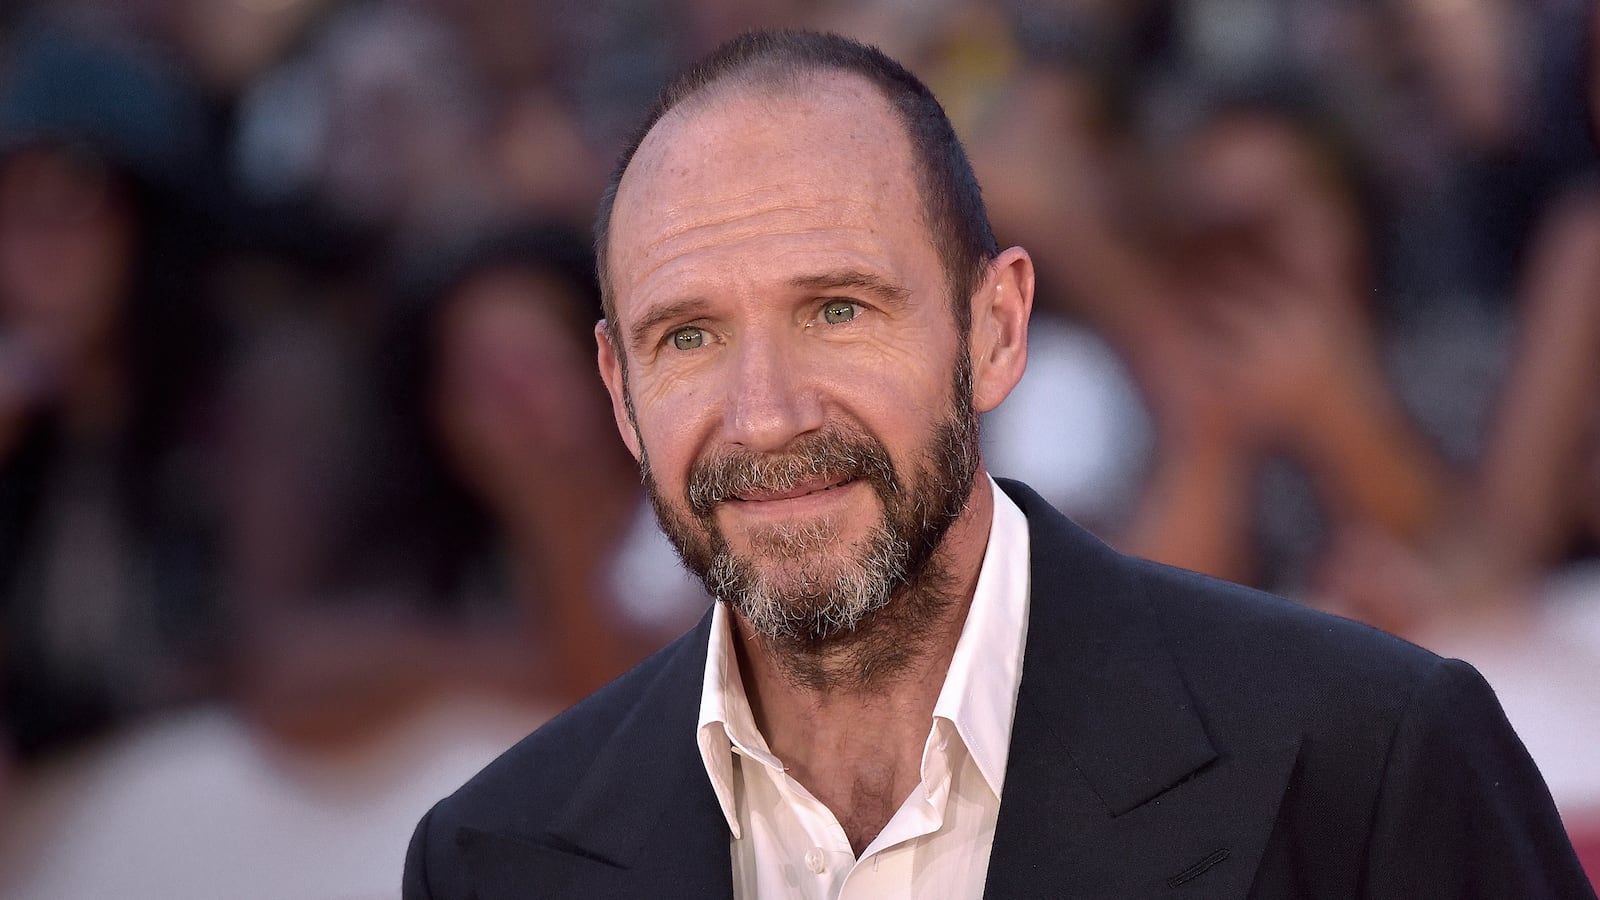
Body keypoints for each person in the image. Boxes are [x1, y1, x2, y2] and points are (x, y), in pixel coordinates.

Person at [404, 30, 1594, 898]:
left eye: (836, 311)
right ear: (620, 391)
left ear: (994, 330)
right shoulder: (492, 860)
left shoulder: (1369, 759)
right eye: (690, 338)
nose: (764, 417)